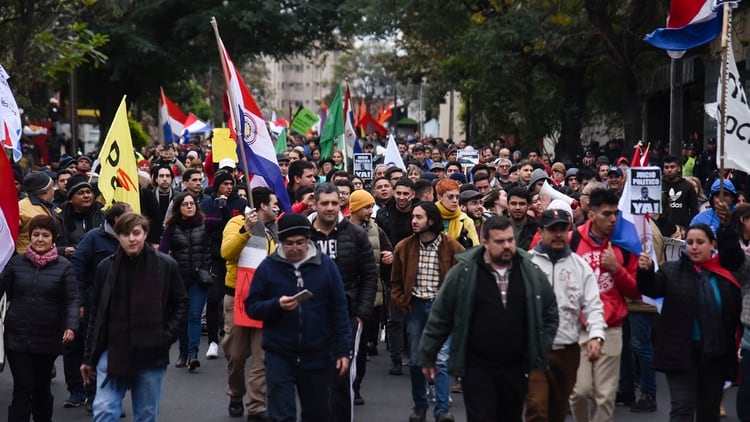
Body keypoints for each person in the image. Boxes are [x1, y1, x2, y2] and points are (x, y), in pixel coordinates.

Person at [417, 215, 558, 422]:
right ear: (485, 243)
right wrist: (427, 355)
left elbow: (550, 313)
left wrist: (540, 348)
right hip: (476, 365)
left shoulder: (530, 272)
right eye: (499, 242)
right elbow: (441, 316)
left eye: (510, 240)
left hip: (516, 366)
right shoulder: (464, 273)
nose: (507, 246)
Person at [80, 213, 189, 421]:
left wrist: (164, 337)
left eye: (136, 233)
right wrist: (88, 357)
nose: (132, 239)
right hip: (113, 348)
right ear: (117, 236)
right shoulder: (106, 267)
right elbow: (97, 314)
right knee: (104, 409)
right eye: (125, 234)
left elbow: (181, 304)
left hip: (151, 352)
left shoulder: (166, 266)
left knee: (146, 414)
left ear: (145, 234)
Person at [246, 213, 352, 422]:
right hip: (279, 353)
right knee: (281, 415)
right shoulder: (268, 267)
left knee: (317, 413)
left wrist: (342, 351)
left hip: (317, 353)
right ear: (281, 243)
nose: (295, 248)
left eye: (300, 243)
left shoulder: (325, 266)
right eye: (289, 243)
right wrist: (276, 305)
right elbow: (252, 307)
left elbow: (339, 310)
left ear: (308, 241)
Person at [637, 220, 742, 422]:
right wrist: (645, 271)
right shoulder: (671, 271)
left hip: (715, 355)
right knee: (682, 409)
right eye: (690, 242)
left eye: (699, 242)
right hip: (679, 353)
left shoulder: (724, 276)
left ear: (712, 245)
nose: (693, 247)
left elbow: (734, 313)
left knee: (709, 412)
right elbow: (650, 289)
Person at [526, 209, 606, 422]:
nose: (559, 234)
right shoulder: (528, 264)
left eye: (563, 229)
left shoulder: (579, 266)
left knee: (558, 410)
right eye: (553, 229)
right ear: (541, 232)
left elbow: (592, 304)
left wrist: (596, 336)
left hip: (568, 348)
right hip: (535, 348)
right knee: (536, 407)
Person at [569, 188, 641, 422]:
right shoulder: (573, 240)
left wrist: (617, 270)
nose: (613, 220)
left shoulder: (624, 245)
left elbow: (635, 292)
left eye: (616, 214)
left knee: (605, 396)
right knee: (579, 392)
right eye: (607, 214)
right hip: (578, 327)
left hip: (611, 327)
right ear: (591, 215)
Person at [308, 183, 377, 422]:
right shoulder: (303, 235)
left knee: (342, 375)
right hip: (310, 316)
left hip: (347, 316)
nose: (330, 208)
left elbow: (369, 275)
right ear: (314, 204)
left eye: (334, 203)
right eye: (324, 203)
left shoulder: (356, 235)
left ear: (341, 205)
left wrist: (362, 313)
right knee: (313, 377)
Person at [390, 201, 465, 422]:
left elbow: (463, 279)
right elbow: (395, 281)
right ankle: (420, 405)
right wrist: (402, 301)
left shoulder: (452, 247)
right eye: (413, 217)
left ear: (431, 221)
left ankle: (442, 409)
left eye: (419, 217)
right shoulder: (404, 247)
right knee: (415, 360)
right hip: (415, 307)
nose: (414, 221)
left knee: (441, 360)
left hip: (442, 310)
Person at [1, 215, 79, 422]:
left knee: (41, 388)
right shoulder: (16, 263)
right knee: (23, 386)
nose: (40, 239)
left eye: (45, 235)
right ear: (30, 236)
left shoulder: (64, 266)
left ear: (53, 238)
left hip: (48, 338)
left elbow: (72, 299)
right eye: (36, 234)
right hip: (17, 336)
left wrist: (71, 326)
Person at [220, 187, 278, 420]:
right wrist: (246, 229)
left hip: (263, 302)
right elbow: (226, 252)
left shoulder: (272, 231)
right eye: (274, 204)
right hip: (237, 299)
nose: (278, 208)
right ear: (263, 205)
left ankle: (256, 405)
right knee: (235, 354)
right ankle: (236, 394)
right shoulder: (236, 222)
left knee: (261, 355)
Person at [70, 202, 132, 412]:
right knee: (96, 351)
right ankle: (94, 396)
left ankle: (113, 397)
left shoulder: (132, 239)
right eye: (128, 216)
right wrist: (80, 301)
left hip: (123, 307)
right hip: (96, 305)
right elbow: (77, 269)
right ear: (116, 220)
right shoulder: (93, 239)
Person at [347, 189, 394, 404]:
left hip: (371, 297)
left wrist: (388, 256)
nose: (370, 211)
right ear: (355, 208)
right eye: (366, 206)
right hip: (347, 298)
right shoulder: (343, 230)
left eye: (371, 206)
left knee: (362, 348)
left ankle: (356, 387)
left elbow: (388, 252)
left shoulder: (377, 230)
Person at [159, 192, 211, 372]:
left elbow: (224, 222)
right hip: (179, 278)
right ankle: (183, 353)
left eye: (192, 203)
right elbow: (163, 252)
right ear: (178, 208)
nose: (190, 207)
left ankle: (193, 354)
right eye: (185, 204)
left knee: (194, 315)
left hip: (200, 278)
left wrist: (223, 207)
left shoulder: (205, 224)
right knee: (181, 316)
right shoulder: (171, 228)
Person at [200, 170, 249, 360]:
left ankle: (237, 338)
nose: (229, 187)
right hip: (215, 258)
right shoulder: (206, 204)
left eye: (231, 184)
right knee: (214, 298)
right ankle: (213, 341)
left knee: (237, 300)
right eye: (225, 184)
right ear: (217, 185)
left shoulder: (241, 203)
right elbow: (205, 227)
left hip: (237, 258)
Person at [17, 171, 60, 254]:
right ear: (45, 190)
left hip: (48, 256)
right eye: (52, 187)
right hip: (26, 258)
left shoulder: (51, 206)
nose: (54, 190)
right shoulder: (21, 209)